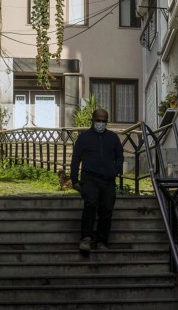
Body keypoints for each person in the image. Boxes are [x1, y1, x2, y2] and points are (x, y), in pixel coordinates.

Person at [70, 108, 123, 252]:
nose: (100, 123)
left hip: (108, 180)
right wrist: (74, 179)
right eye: (98, 120)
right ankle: (86, 238)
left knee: (106, 209)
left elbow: (119, 156)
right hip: (89, 179)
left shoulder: (112, 138)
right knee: (91, 204)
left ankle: (101, 241)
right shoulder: (84, 138)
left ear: (107, 121)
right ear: (92, 120)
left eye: (103, 120)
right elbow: (75, 159)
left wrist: (115, 170)